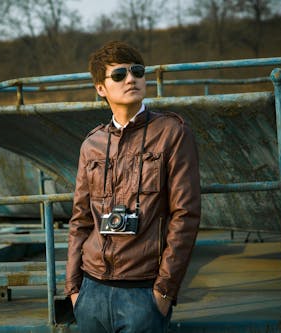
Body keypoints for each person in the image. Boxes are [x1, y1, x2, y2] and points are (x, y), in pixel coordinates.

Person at [64, 40, 201, 333]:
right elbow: (80, 220)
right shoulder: (92, 144)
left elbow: (185, 215)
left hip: (144, 295)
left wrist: (164, 292)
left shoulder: (172, 133)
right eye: (119, 74)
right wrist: (74, 290)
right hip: (91, 293)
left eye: (137, 71)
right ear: (101, 88)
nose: (131, 79)